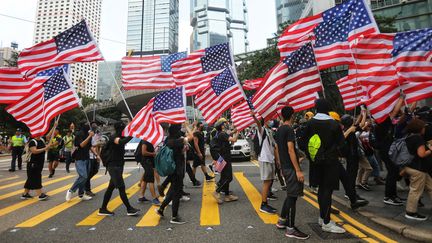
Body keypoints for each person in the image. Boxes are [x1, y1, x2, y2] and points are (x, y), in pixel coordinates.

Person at [302, 99, 346, 234]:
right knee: (327, 191)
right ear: (328, 109)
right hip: (330, 162)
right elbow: (342, 144)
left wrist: (311, 157)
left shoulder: (310, 123)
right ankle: (326, 222)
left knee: (321, 190)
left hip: (316, 162)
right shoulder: (333, 124)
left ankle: (322, 218)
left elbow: (303, 143)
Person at [274, 106, 309, 239]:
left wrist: (279, 162)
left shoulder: (279, 129)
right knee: (292, 197)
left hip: (285, 166)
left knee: (290, 195)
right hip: (290, 167)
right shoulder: (288, 129)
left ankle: (282, 221)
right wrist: (298, 170)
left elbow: (277, 148)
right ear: (292, 116)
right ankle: (290, 228)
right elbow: (290, 150)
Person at [98, 122, 140, 216]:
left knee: (110, 188)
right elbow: (121, 142)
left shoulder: (120, 136)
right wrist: (132, 135)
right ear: (120, 129)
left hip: (118, 165)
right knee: (121, 187)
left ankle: (103, 209)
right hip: (113, 166)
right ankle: (129, 209)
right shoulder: (114, 137)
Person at [156, 123, 194, 224]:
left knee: (172, 191)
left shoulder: (168, 140)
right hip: (177, 170)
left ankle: (161, 209)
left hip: (173, 170)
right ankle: (174, 217)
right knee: (176, 194)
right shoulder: (177, 141)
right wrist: (186, 126)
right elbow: (191, 136)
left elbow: (177, 151)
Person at [374, 93, 405, 206]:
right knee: (392, 172)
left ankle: (393, 195)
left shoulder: (380, 123)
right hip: (386, 151)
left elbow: (400, 114)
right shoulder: (382, 123)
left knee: (393, 171)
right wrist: (401, 98)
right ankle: (389, 196)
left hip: (387, 151)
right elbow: (395, 112)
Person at [403, 119, 432, 220]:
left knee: (431, 186)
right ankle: (410, 212)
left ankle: (411, 211)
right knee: (415, 190)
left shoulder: (409, 136)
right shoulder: (418, 138)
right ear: (419, 128)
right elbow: (421, 154)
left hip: (413, 167)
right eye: (423, 127)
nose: (425, 128)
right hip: (418, 169)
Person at [251, 113, 279, 214]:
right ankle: (263, 204)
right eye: (269, 119)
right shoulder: (262, 130)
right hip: (265, 159)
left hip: (270, 159)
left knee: (270, 181)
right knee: (267, 182)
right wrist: (254, 117)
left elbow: (274, 146)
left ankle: (266, 202)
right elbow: (258, 124)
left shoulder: (270, 131)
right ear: (264, 121)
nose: (271, 121)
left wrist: (277, 160)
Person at [212, 118, 239, 204]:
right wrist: (238, 132)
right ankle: (217, 191)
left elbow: (230, 134)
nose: (226, 124)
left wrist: (236, 130)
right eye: (224, 123)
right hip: (224, 158)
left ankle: (227, 196)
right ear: (221, 126)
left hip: (221, 158)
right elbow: (234, 139)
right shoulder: (222, 134)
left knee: (224, 176)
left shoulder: (219, 134)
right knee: (228, 177)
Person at [66, 123, 94, 202]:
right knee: (83, 176)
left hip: (87, 158)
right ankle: (71, 190)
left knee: (84, 178)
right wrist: (89, 136)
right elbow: (82, 145)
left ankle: (81, 194)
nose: (88, 126)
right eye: (86, 124)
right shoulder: (79, 134)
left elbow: (89, 146)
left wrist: (96, 154)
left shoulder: (88, 134)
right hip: (79, 158)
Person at [21, 136, 50, 200]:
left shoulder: (41, 140)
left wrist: (54, 127)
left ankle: (25, 194)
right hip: (33, 163)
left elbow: (49, 135)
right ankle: (40, 195)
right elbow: (34, 151)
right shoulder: (32, 142)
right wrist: (45, 148)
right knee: (36, 177)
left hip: (39, 163)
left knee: (31, 178)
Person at [137, 139, 161, 205]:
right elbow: (143, 152)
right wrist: (153, 153)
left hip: (149, 161)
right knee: (150, 179)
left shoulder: (150, 139)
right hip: (145, 161)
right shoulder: (145, 140)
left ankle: (141, 196)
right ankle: (154, 198)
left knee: (146, 178)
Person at [85, 122, 101, 197]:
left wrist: (98, 155)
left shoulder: (97, 134)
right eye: (93, 125)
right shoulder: (89, 133)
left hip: (95, 156)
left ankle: (85, 181)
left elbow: (98, 146)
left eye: (96, 124)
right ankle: (87, 189)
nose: (95, 126)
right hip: (89, 156)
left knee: (95, 170)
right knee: (89, 172)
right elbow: (90, 146)